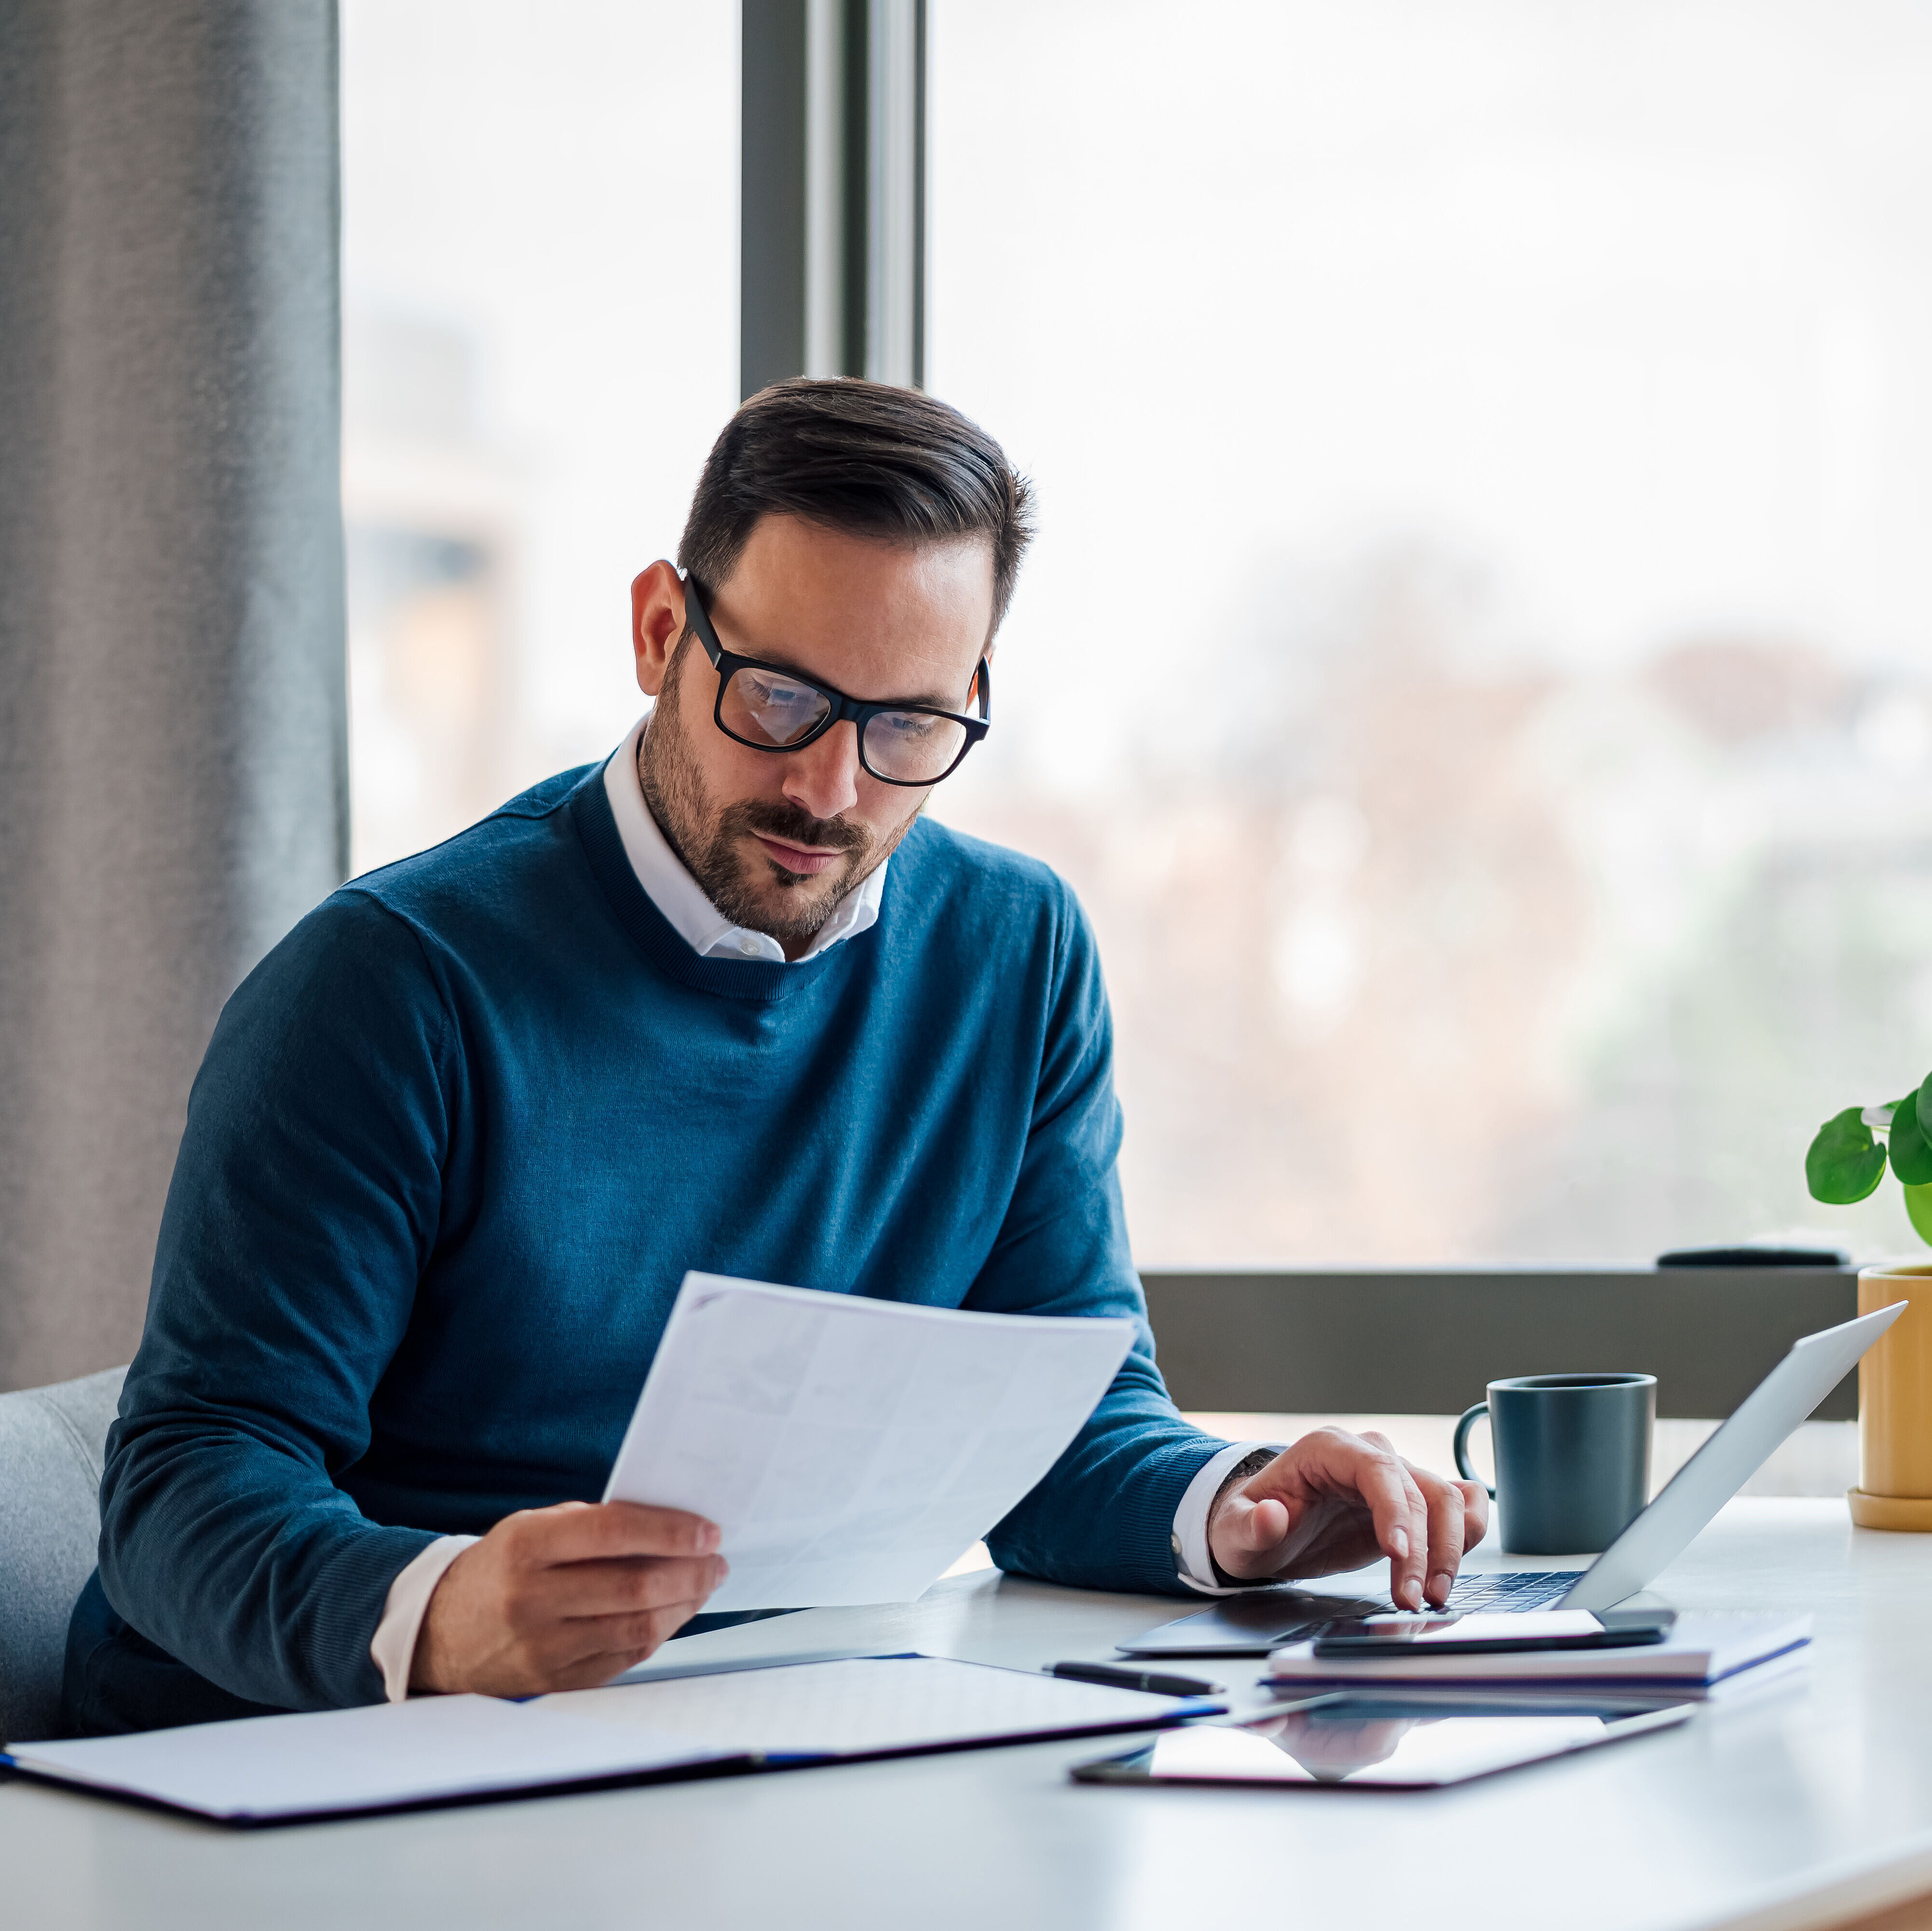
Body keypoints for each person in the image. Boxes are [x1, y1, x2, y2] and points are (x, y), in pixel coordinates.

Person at [65, 379, 1486, 1733]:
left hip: (732, 1731)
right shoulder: (388, 985)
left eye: (908, 724)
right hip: (302, 1757)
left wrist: (1239, 1504)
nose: (830, 788)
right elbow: (189, 1486)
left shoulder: (1018, 952)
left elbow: (1064, 1422)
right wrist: (444, 1613)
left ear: (971, 693)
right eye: (783, 698)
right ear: (659, 632)